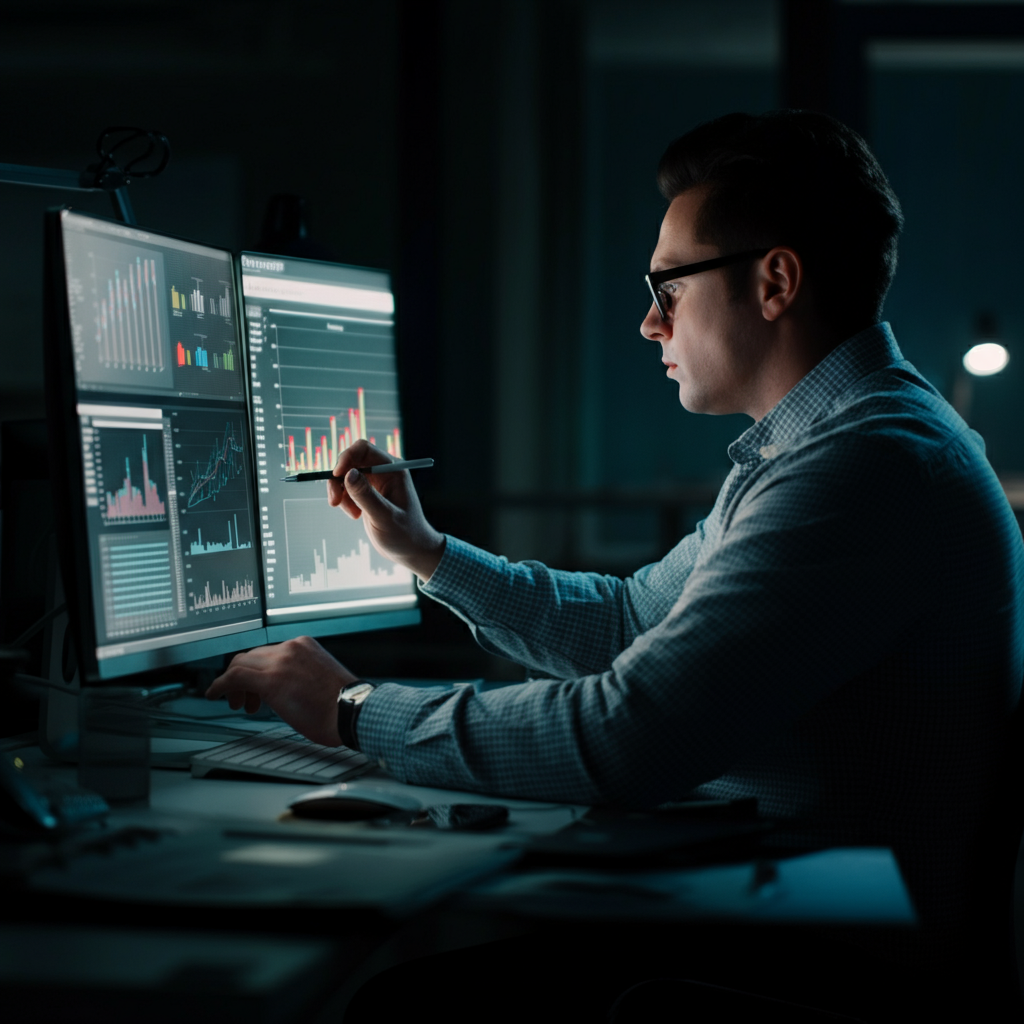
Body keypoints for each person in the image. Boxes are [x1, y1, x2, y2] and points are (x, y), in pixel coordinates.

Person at [207, 110, 1024, 992]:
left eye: (668, 287)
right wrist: (429, 552)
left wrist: (353, 707)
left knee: (402, 987)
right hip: (781, 912)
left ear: (775, 281)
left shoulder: (867, 468)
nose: (648, 323)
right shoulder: (828, 442)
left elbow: (631, 735)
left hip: (821, 970)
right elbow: (634, 622)